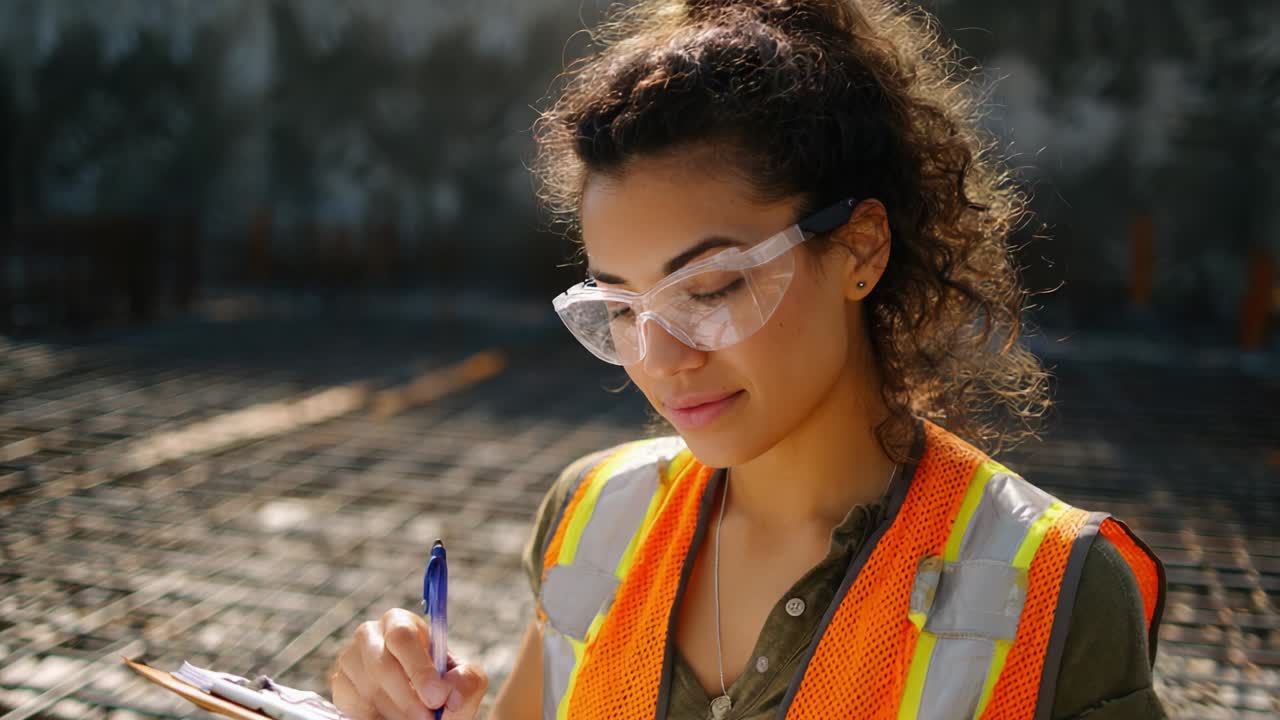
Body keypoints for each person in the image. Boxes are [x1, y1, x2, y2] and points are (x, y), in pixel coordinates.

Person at [328, 1, 1167, 718]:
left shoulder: (1054, 594)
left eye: (713, 287)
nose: (660, 358)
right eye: (620, 307)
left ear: (859, 249)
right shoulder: (592, 519)